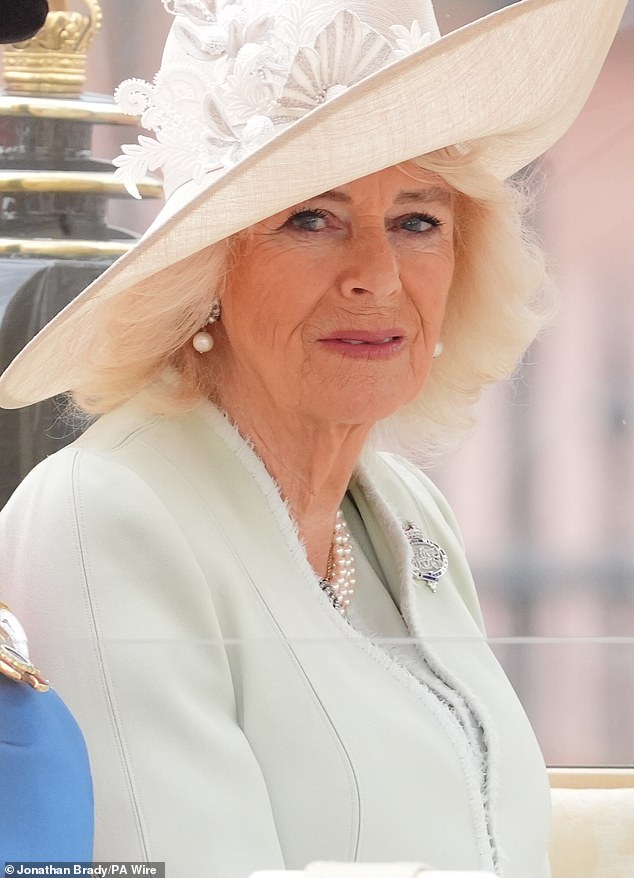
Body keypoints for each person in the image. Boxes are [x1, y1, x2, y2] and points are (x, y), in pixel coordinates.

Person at [0, 0, 626, 876]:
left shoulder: (406, 510)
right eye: (310, 219)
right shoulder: (101, 517)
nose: (376, 275)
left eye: (417, 221)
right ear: (205, 272)